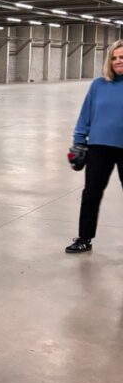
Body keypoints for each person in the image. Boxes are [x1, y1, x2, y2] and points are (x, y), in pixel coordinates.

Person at [65, 39, 123, 254]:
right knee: (91, 193)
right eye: (114, 58)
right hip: (99, 147)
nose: (118, 61)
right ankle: (84, 238)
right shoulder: (99, 84)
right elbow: (85, 114)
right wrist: (78, 141)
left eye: (122, 57)